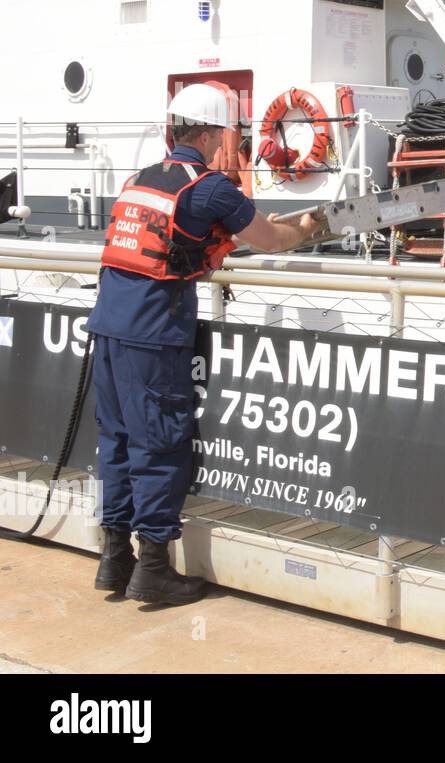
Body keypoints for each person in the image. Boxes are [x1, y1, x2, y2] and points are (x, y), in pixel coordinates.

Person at [88, 83, 324, 606]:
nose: (228, 143)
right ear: (212, 135)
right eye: (226, 134)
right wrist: (305, 229)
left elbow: (178, 238)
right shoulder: (211, 186)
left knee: (118, 442)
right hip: (153, 335)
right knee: (158, 445)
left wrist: (227, 240)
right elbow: (271, 238)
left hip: (107, 327)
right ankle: (153, 569)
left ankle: (115, 558)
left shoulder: (139, 179)